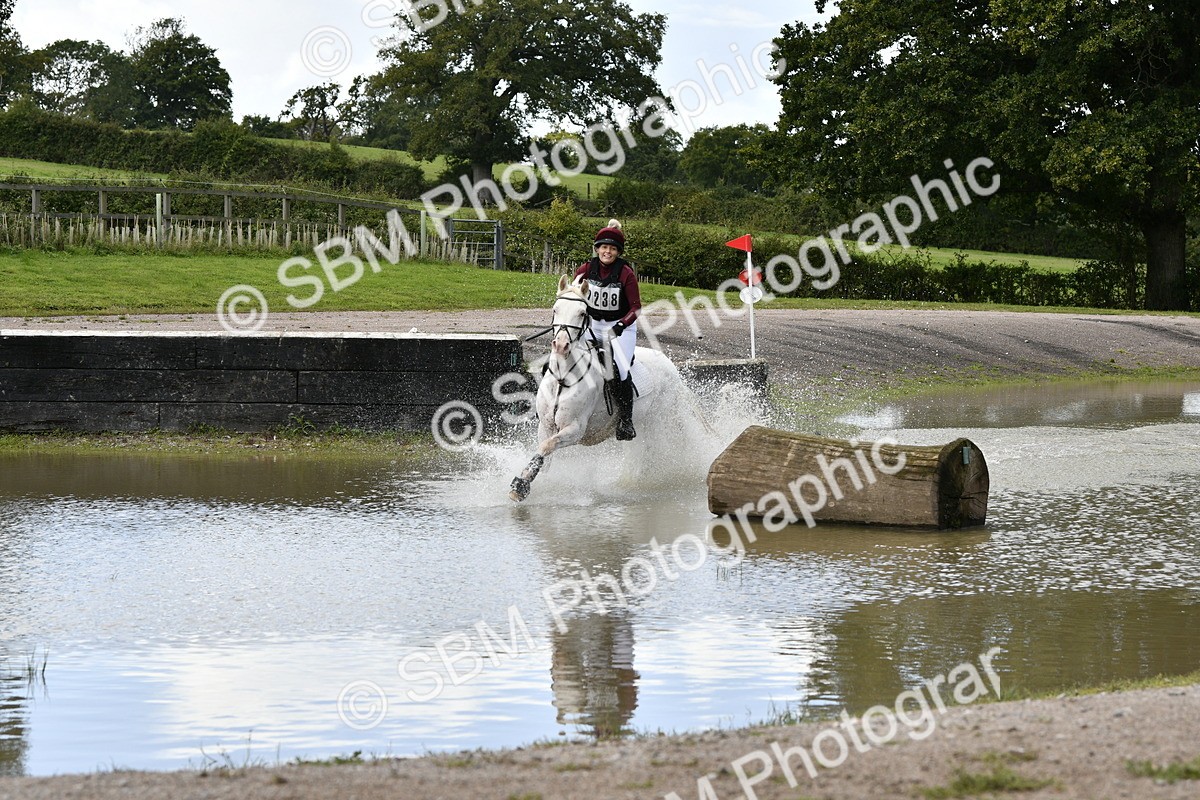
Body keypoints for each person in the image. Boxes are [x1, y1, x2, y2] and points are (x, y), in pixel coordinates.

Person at [574, 219, 642, 440]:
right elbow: (571, 296)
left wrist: (621, 325)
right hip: (592, 324)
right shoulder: (585, 269)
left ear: (618, 252)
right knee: (565, 351)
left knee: (620, 368)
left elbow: (636, 308)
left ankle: (626, 421)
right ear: (597, 249)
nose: (607, 252)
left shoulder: (626, 274)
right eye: (604, 247)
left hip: (621, 326)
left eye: (612, 249)